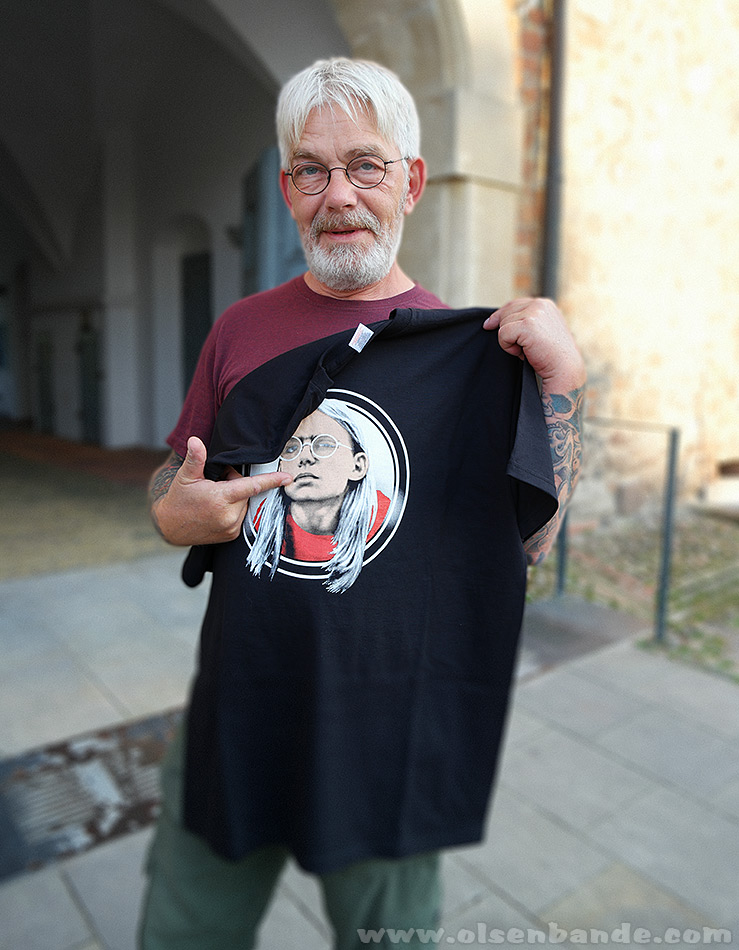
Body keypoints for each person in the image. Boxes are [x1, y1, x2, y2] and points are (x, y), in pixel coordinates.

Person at [139, 57, 586, 950]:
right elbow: (175, 479)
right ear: (287, 190)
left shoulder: (473, 357)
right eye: (311, 170)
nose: (338, 195)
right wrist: (169, 513)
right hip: (241, 705)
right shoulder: (238, 330)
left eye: (365, 166)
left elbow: (527, 544)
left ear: (410, 183)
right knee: (183, 932)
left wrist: (564, 384)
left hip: (390, 726)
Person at [246, 399, 389, 592]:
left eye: (324, 445)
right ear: (280, 466)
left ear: (358, 466)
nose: (305, 457)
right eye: (291, 448)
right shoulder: (260, 524)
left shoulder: (383, 519)